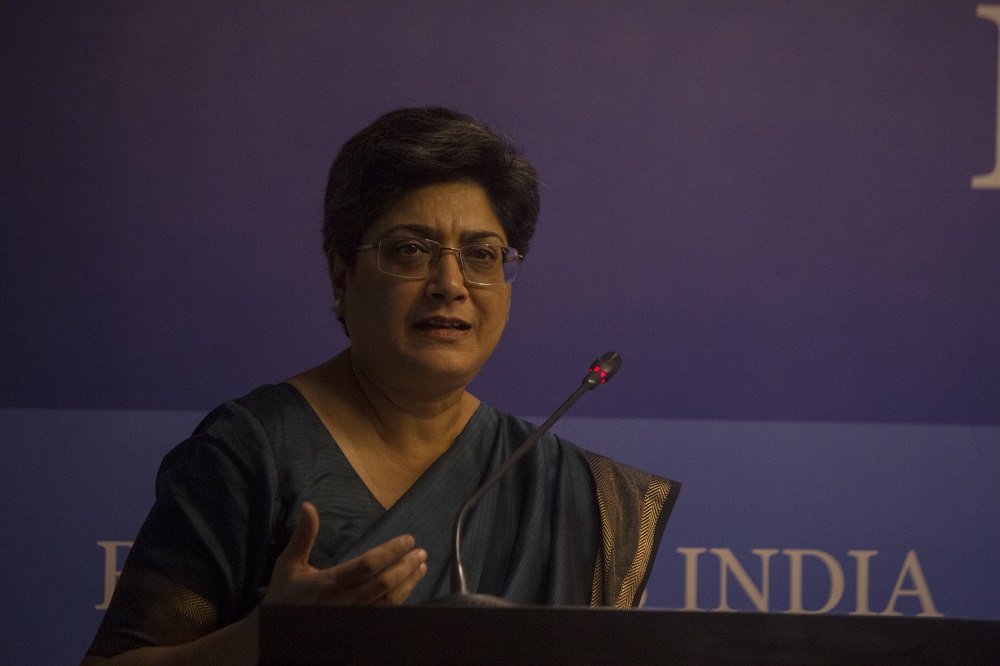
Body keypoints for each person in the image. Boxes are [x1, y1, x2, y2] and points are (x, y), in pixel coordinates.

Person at [83, 107, 680, 664]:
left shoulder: (566, 489)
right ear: (341, 275)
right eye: (411, 250)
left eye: (481, 255)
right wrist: (266, 636)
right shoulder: (252, 449)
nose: (450, 284)